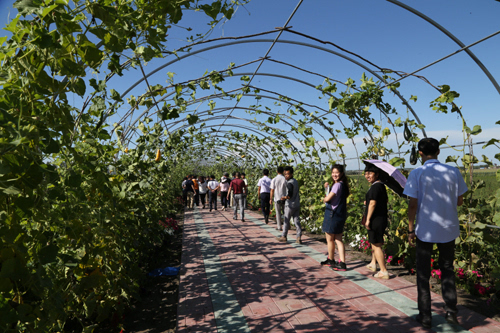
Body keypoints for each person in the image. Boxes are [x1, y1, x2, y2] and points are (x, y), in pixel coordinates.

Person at [404, 138, 467, 329]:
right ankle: (451, 312)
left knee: (423, 273)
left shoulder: (417, 173)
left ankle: (425, 316)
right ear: (438, 152)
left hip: (425, 230)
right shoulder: (453, 171)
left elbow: (413, 204)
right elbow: (460, 201)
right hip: (448, 229)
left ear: (420, 154)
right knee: (447, 268)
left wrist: (410, 228)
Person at [320, 164, 349, 271]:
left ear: (341, 173)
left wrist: (325, 197)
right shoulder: (342, 185)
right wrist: (327, 188)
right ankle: (336, 260)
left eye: (336, 173)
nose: (334, 175)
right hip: (339, 214)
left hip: (332, 214)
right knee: (338, 239)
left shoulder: (337, 185)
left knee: (330, 239)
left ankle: (337, 261)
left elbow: (327, 199)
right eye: (333, 173)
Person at [363, 164, 389, 279]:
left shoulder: (375, 187)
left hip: (375, 219)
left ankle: (383, 271)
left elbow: (373, 203)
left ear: (377, 174)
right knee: (374, 242)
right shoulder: (380, 186)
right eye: (366, 173)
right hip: (381, 218)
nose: (367, 175)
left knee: (376, 245)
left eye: (370, 173)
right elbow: (381, 201)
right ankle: (373, 263)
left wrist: (367, 220)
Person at [276, 166, 302, 244]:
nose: (286, 176)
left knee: (286, 220)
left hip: (290, 205)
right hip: (297, 204)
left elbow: (289, 195)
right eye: (285, 174)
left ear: (291, 174)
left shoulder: (289, 183)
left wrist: (284, 198)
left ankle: (284, 236)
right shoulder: (295, 181)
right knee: (296, 221)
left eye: (287, 174)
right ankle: (299, 237)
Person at [270, 166, 287, 231]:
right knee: (285, 213)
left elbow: (272, 190)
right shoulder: (285, 179)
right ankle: (287, 226)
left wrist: (270, 199)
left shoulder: (274, 179)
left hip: (277, 198)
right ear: (283, 171)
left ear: (277, 171)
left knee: (278, 213)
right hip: (284, 198)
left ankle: (279, 227)